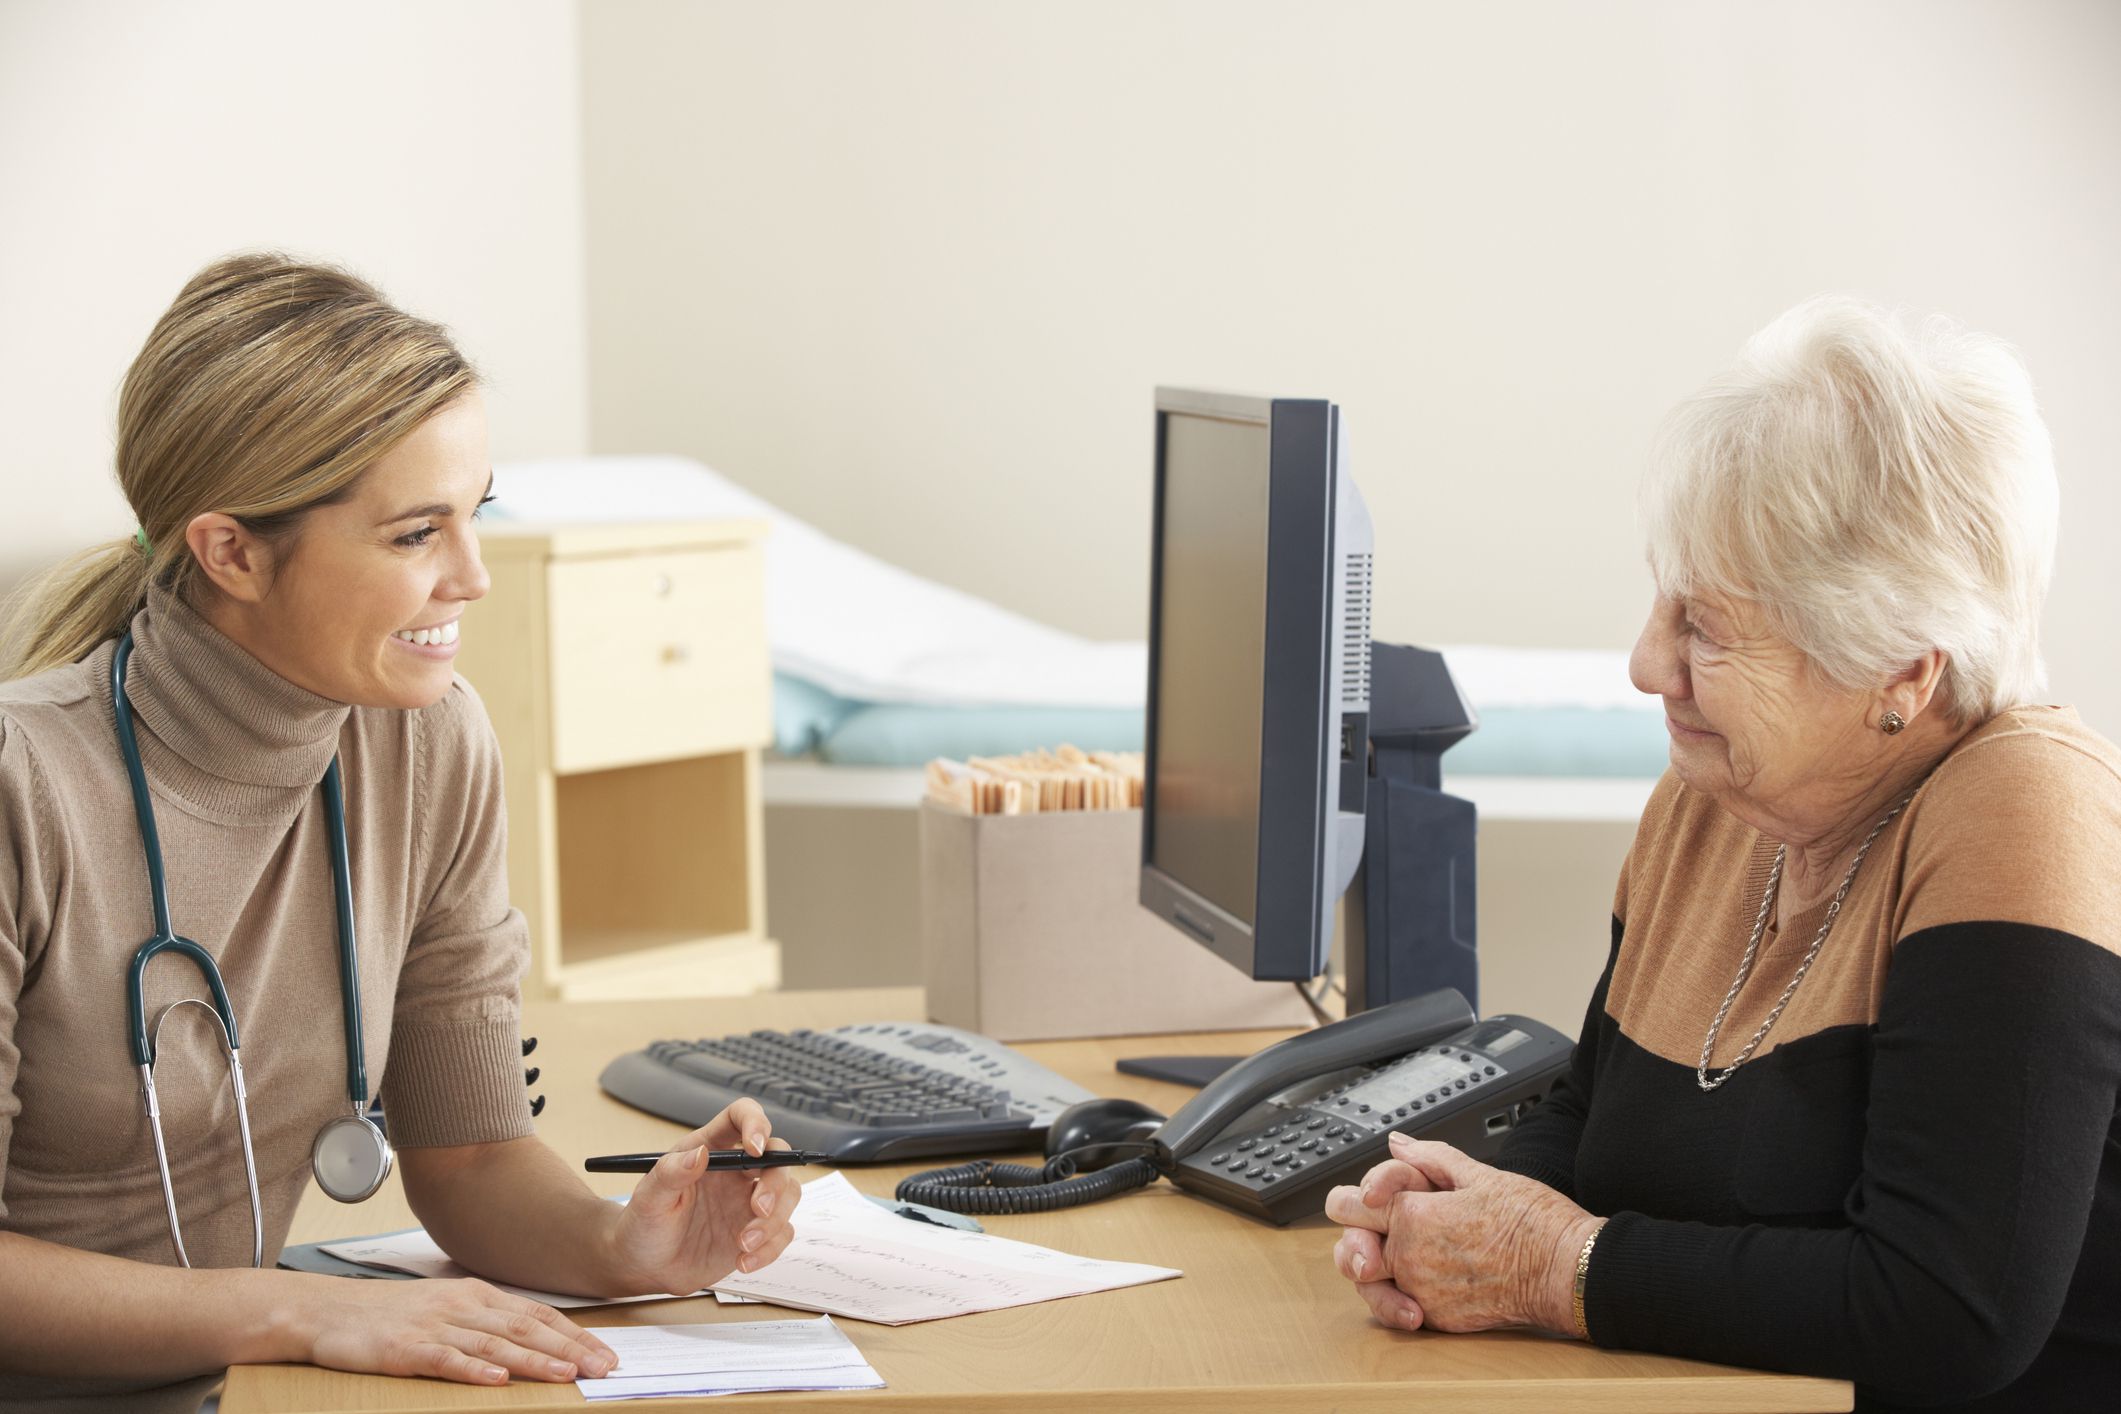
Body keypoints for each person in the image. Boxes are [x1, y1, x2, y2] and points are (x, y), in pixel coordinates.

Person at [0, 254, 800, 1410]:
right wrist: (306, 1308)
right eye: (416, 533)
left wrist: (627, 1246)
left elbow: (470, 1158)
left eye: (476, 516)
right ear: (230, 551)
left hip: (234, 1387)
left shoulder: (425, 748)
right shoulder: (27, 785)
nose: (472, 576)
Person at [1323, 297, 2121, 1411]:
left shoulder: (2026, 800)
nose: (1649, 662)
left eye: (1706, 626)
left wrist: (1555, 1267)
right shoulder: (1717, 797)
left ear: (1901, 670)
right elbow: (1589, 1124)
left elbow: (1948, 1309)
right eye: (1664, 597)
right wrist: (1450, 1210)